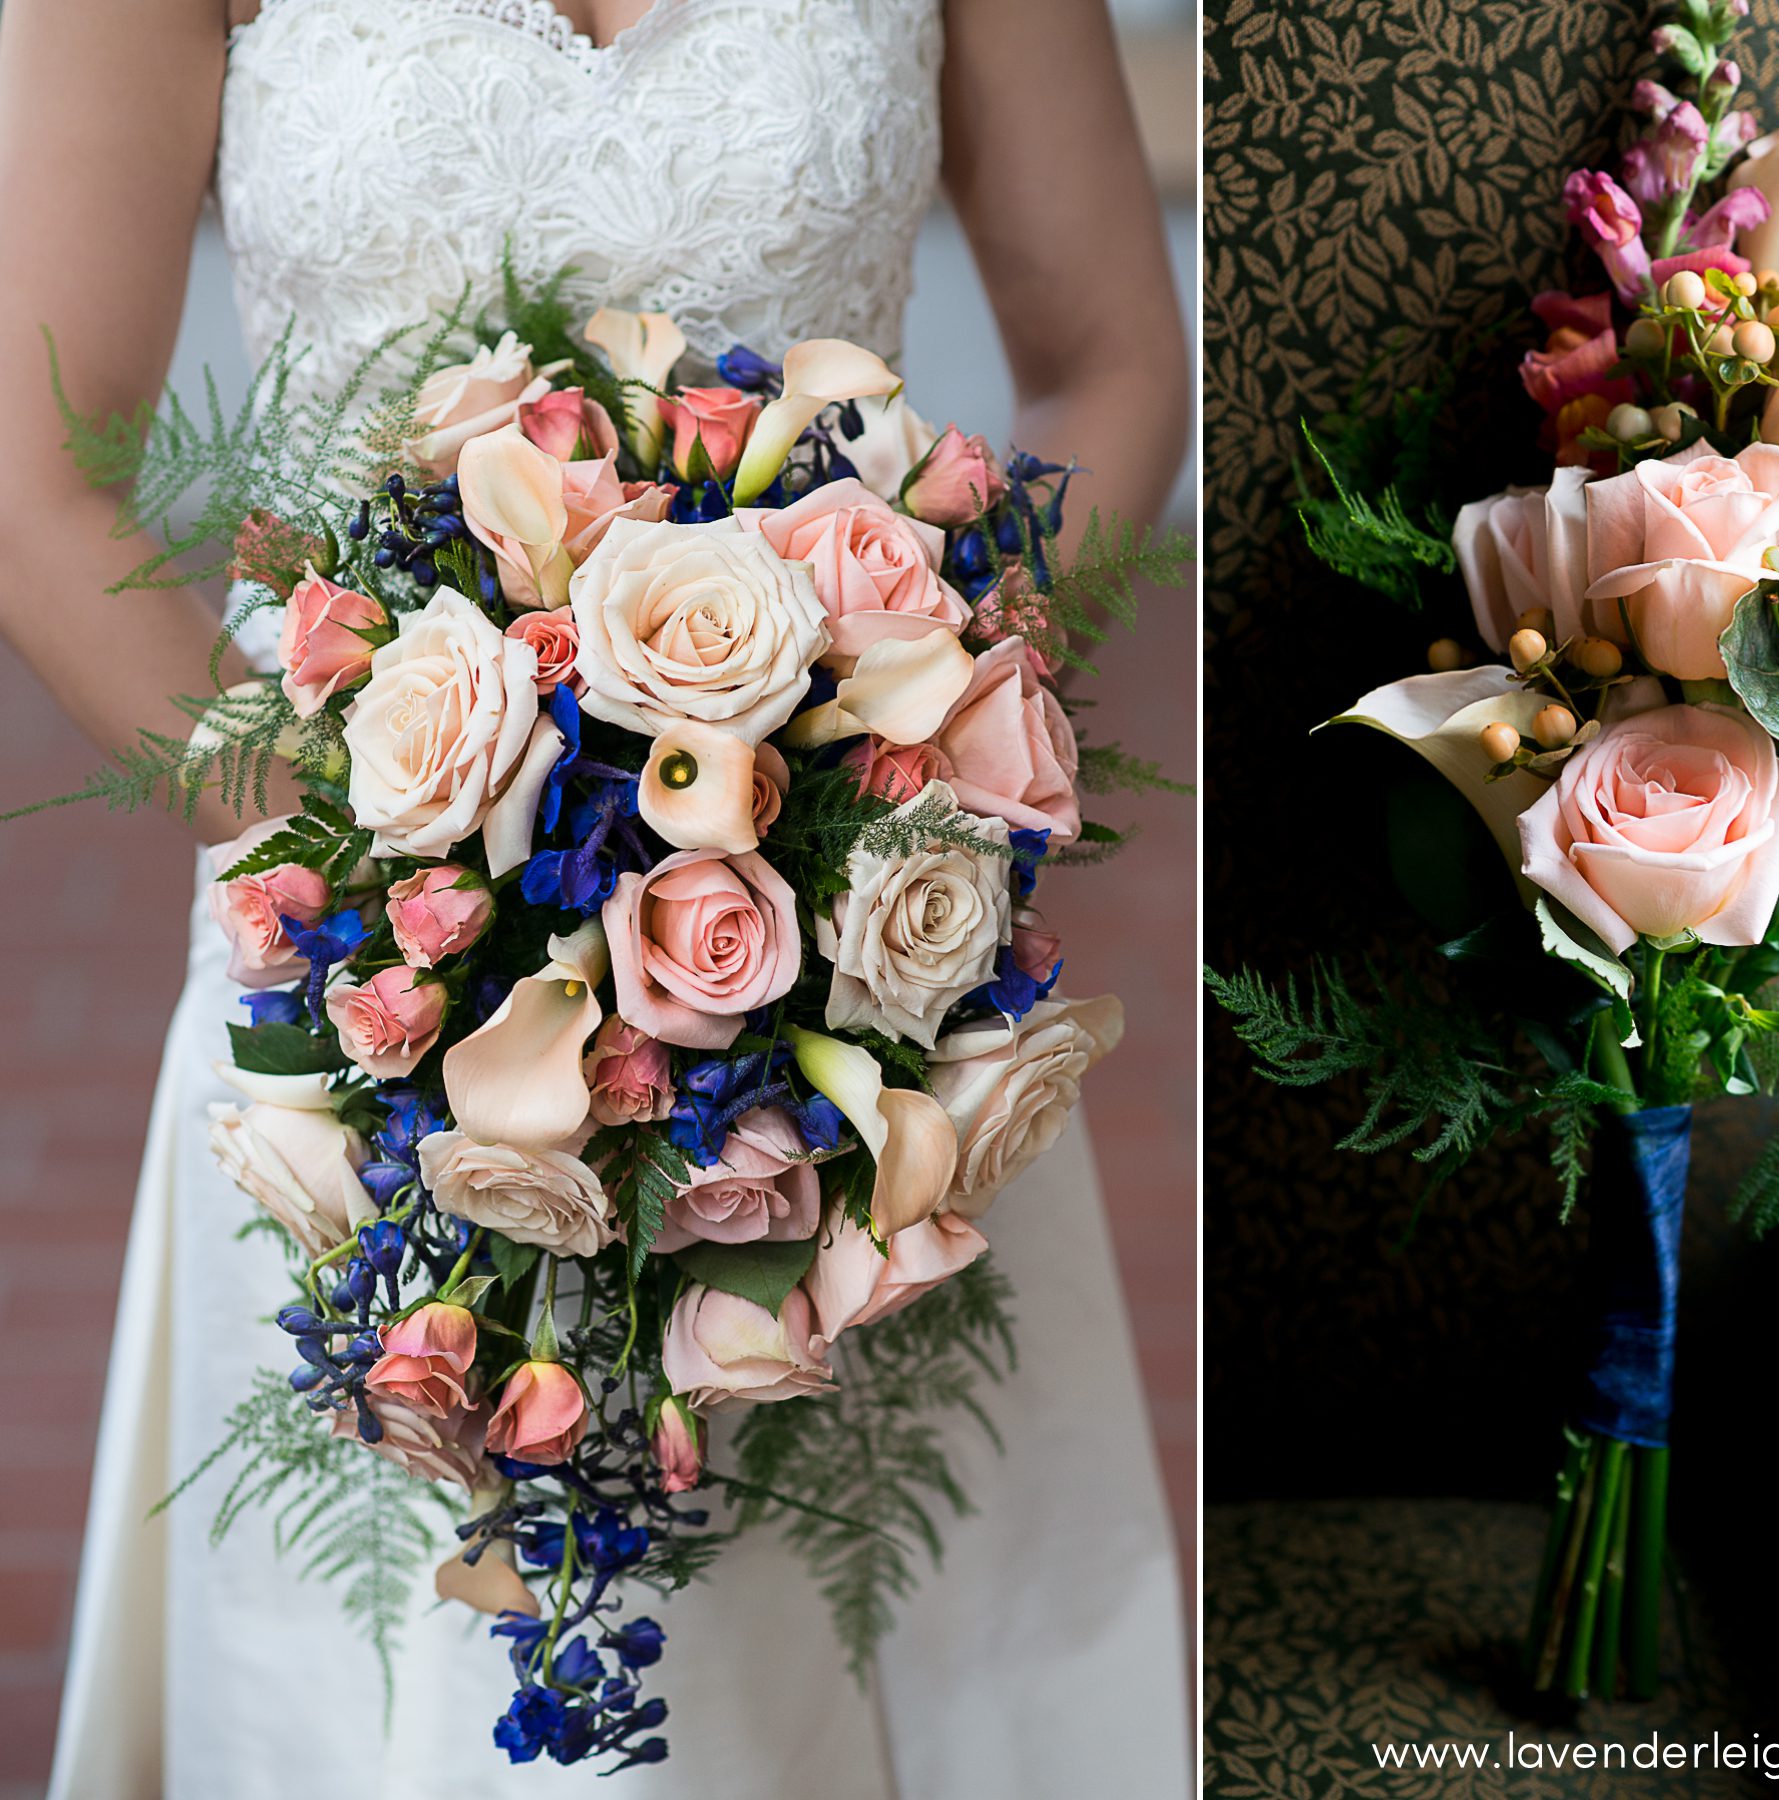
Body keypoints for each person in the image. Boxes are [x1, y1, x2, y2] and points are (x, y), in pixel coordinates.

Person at [0, 2, 1191, 1794]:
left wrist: (924, 740)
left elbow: (1112, 362)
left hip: (846, 973)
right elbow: (33, 456)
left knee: (851, 1642)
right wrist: (355, 845)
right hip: (360, 968)